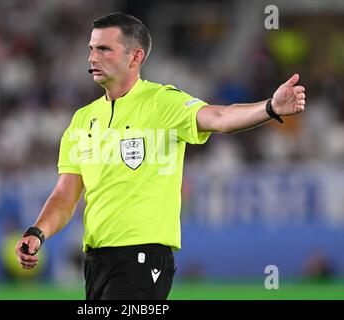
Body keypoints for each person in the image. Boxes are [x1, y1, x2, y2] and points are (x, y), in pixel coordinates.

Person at [15, 13, 306, 300]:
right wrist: (38, 232)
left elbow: (219, 117)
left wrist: (270, 107)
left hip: (143, 256)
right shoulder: (81, 120)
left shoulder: (162, 102)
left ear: (135, 57)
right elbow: (65, 196)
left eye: (104, 49)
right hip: (96, 262)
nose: (93, 57)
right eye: (91, 48)